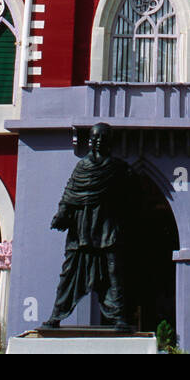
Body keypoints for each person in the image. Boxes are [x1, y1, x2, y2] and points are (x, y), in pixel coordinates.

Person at [42, 123, 134, 330]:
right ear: (90, 140)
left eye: (103, 137)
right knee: (70, 273)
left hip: (107, 227)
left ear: (109, 141)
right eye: (95, 137)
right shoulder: (82, 167)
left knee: (113, 273)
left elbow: (129, 200)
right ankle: (56, 315)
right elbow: (70, 192)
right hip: (81, 228)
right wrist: (62, 214)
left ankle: (119, 317)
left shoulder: (119, 168)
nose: (98, 140)